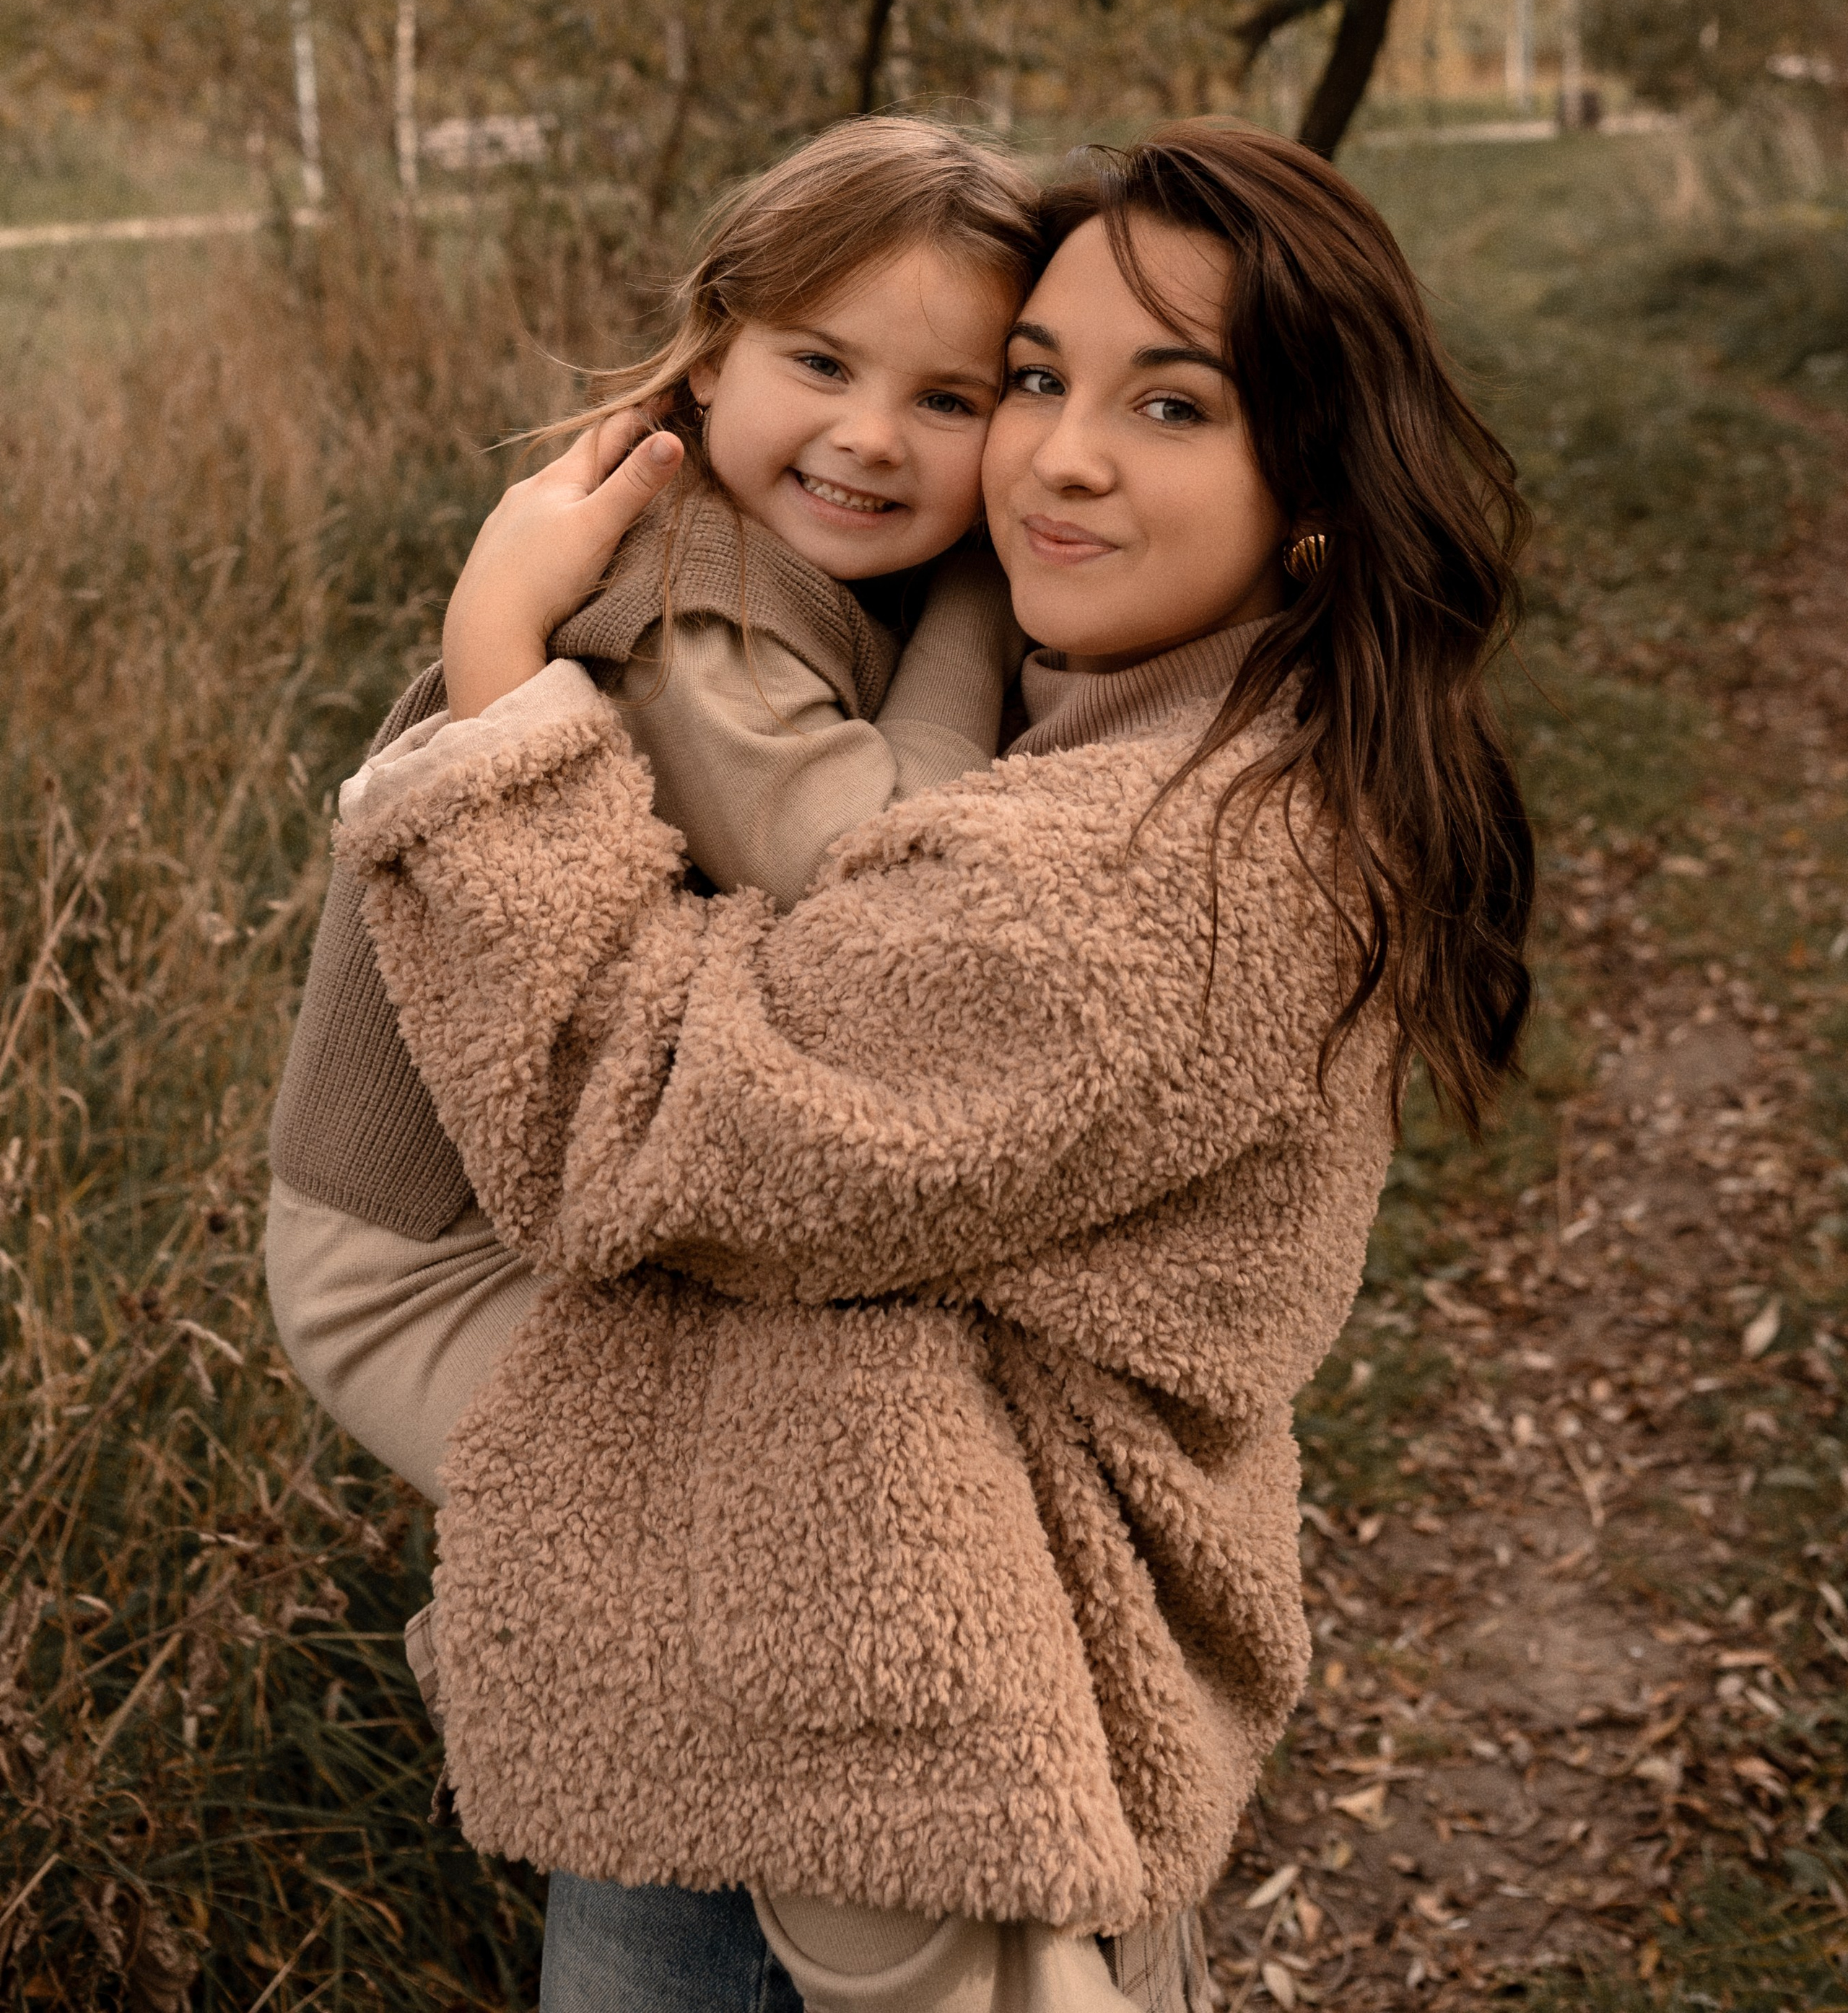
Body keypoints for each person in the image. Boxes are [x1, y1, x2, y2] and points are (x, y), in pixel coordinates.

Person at [328, 121, 1535, 2013]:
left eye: (1173, 404)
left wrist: (496, 659)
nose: (1056, 453)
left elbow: (631, 1113)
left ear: (1313, 475)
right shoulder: (1177, 725)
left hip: (893, 1698)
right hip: (837, 1631)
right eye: (1041, 381)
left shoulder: (1144, 888)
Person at [266, 114, 1040, 1504]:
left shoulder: (805, 565)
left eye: (950, 401)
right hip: (414, 1257)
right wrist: (990, 598)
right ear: (712, 348)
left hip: (561, 1201)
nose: (870, 437)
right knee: (731, 1511)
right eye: (821, 361)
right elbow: (880, 868)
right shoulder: (693, 613)